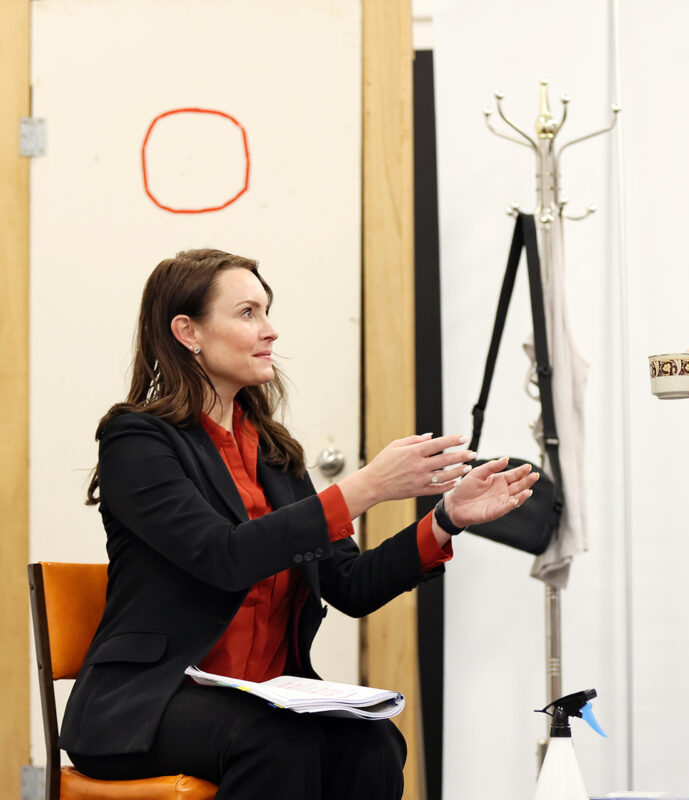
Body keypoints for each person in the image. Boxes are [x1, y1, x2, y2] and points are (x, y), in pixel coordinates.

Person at [60, 248, 539, 799]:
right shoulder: (137, 440)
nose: (270, 331)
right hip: (148, 701)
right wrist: (366, 487)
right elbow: (224, 557)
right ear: (187, 331)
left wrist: (446, 519)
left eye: (267, 312)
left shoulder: (274, 455)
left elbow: (349, 585)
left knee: (373, 742)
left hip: (260, 697)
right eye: (247, 314)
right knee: (276, 741)